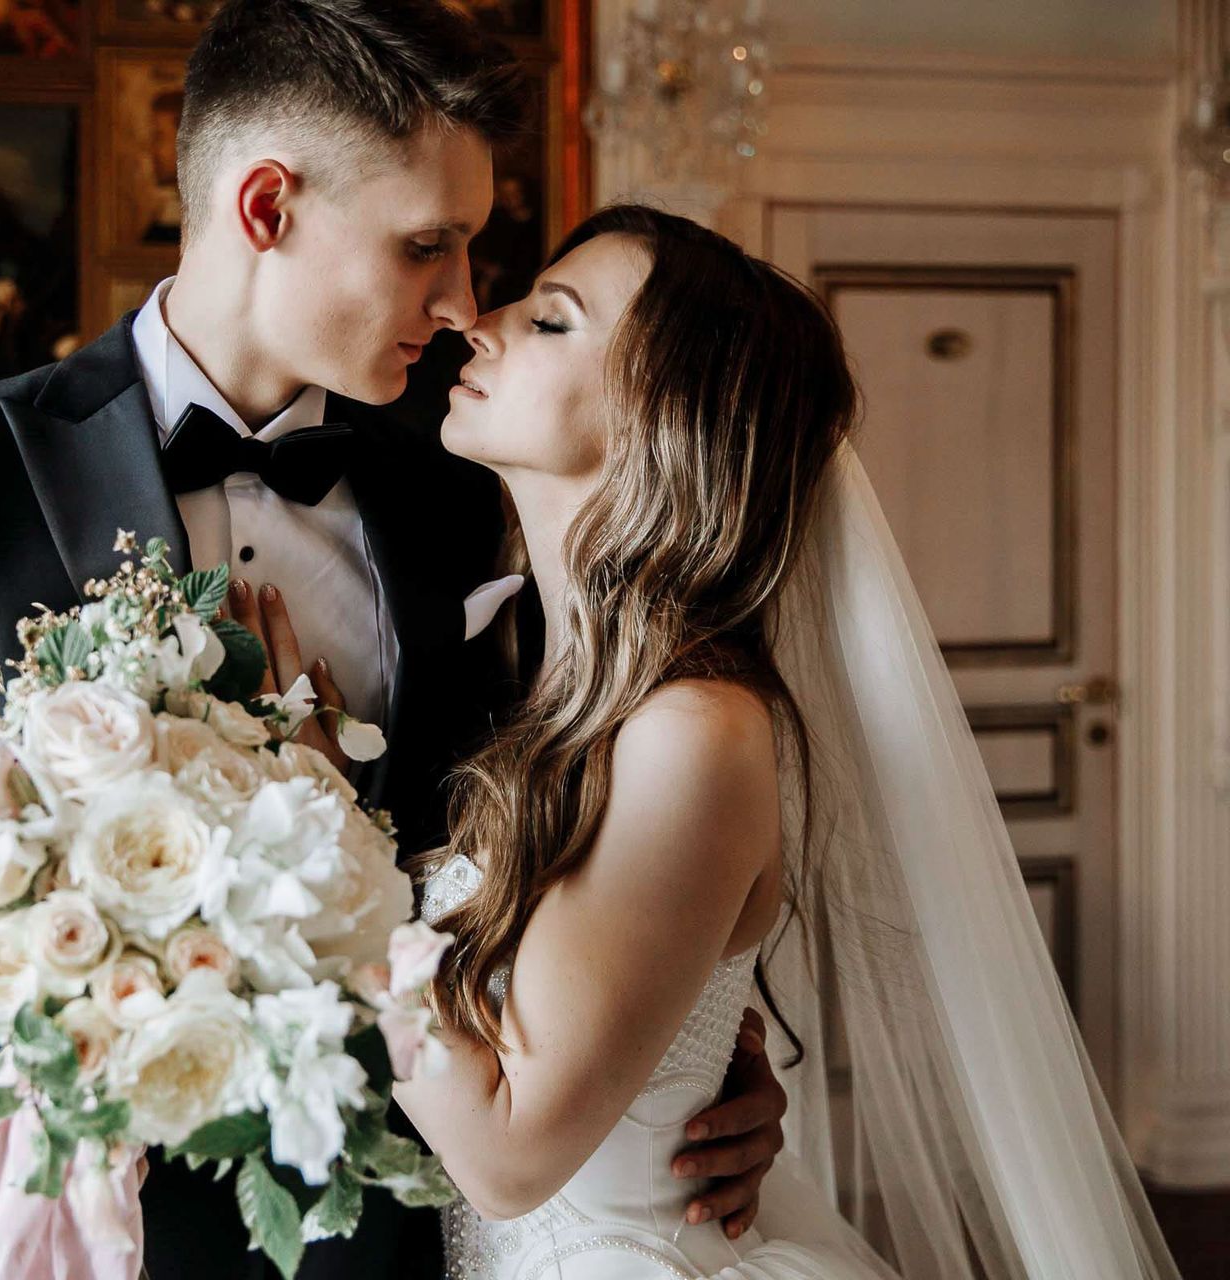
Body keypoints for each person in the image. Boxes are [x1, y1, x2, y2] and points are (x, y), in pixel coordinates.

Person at [0, 3, 791, 1278]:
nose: (465, 302)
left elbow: (552, 862)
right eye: (428, 245)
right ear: (266, 208)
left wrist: (682, 1063)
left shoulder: (461, 490)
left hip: (388, 1245)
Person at [368, 204, 1178, 1279]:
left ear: (665, 416)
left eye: (553, 320)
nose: (484, 321)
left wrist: (312, 842)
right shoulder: (533, 672)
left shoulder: (692, 731)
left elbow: (513, 1154)